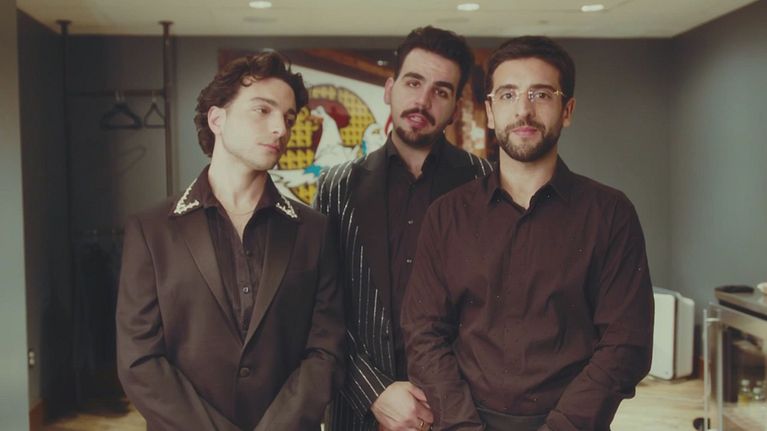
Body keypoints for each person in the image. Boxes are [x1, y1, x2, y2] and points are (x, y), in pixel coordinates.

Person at [402, 36, 654, 431]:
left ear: (567, 110)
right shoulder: (447, 216)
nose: (523, 110)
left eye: (541, 94)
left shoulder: (611, 214)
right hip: (463, 422)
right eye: (508, 95)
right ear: (489, 111)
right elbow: (424, 334)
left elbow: (626, 344)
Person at [116, 52, 345, 431]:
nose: (280, 129)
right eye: (262, 110)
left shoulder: (314, 230)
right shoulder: (151, 229)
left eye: (289, 119)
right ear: (217, 119)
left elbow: (326, 350)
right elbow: (139, 361)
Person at [315, 26, 492, 431]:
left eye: (441, 91)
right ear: (389, 88)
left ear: (455, 106)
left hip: (461, 412)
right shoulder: (336, 186)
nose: (423, 101)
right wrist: (374, 392)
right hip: (360, 410)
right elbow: (320, 309)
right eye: (413, 83)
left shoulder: (484, 182)